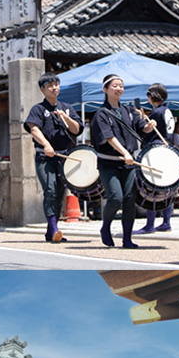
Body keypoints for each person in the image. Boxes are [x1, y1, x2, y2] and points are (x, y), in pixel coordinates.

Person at [89, 73, 156, 249]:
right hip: (108, 162)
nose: (119, 88)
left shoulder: (128, 111)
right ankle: (105, 228)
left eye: (121, 85)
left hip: (128, 163)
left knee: (129, 198)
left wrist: (149, 126)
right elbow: (109, 137)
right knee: (115, 197)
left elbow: (141, 128)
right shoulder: (101, 114)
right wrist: (125, 152)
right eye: (115, 86)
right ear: (105, 89)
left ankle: (127, 239)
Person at [23, 72, 83, 243]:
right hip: (45, 156)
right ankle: (55, 229)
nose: (54, 88)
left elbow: (76, 129)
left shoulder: (67, 107)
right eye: (50, 85)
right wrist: (46, 144)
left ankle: (51, 232)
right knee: (49, 190)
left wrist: (66, 117)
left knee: (59, 193)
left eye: (56, 84)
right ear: (42, 90)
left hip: (64, 156)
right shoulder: (38, 109)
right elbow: (34, 129)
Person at [135, 82, 179, 235]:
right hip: (168, 150)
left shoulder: (155, 113)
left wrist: (142, 120)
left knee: (151, 188)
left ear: (151, 97)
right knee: (167, 187)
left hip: (155, 151)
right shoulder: (167, 111)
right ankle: (166, 222)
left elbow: (145, 133)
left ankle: (150, 225)